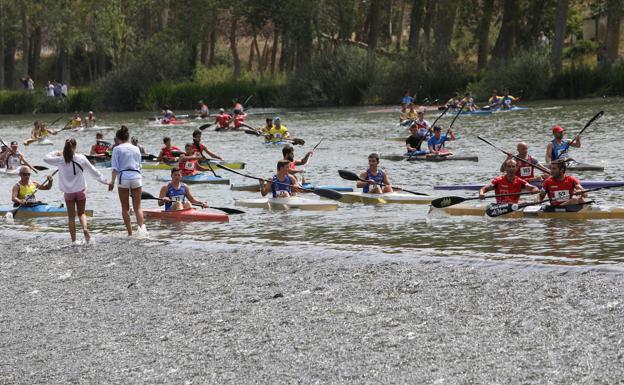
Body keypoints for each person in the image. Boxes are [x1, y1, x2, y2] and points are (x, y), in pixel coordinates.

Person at [44, 138, 108, 243]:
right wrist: (105, 181)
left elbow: (46, 158)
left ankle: (74, 241)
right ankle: (85, 229)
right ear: (75, 146)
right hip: (80, 190)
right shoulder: (81, 158)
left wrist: (56, 152)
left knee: (71, 217)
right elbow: (93, 171)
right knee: (81, 213)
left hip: (68, 192)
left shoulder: (60, 159)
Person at [108, 125, 146, 237]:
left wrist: (112, 182)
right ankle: (142, 231)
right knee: (138, 207)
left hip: (123, 177)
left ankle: (130, 233)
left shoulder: (116, 149)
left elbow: (115, 168)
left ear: (118, 138)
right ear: (128, 137)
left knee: (125, 208)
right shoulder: (136, 148)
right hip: (136, 177)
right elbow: (140, 165)